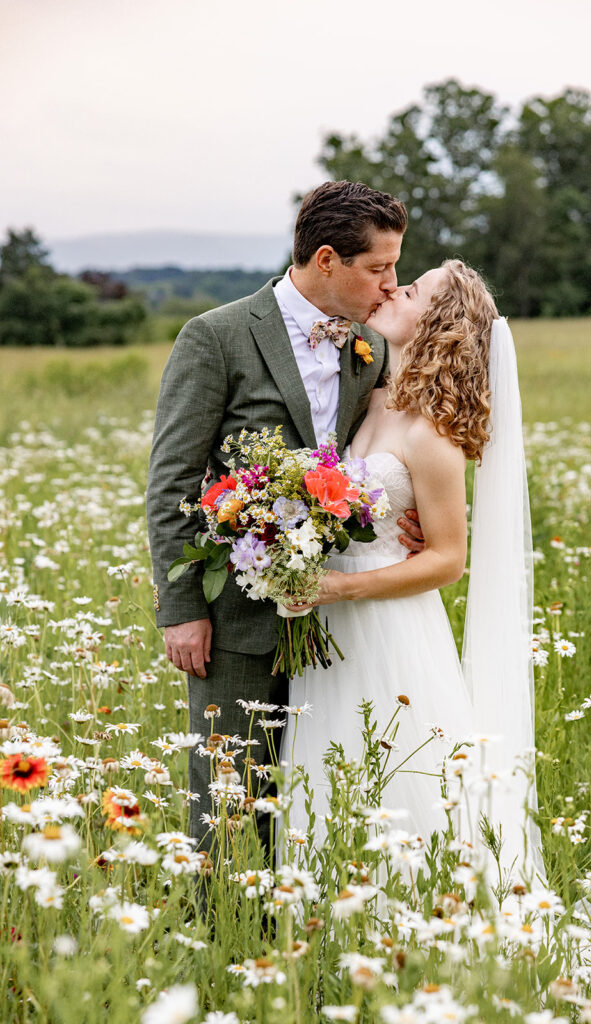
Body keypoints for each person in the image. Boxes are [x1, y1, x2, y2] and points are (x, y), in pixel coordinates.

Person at [145, 181, 425, 860]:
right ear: (325, 259)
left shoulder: (371, 347)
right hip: (237, 610)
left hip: (345, 615)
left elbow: (374, 457)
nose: (391, 286)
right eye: (378, 267)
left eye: (394, 267)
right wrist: (182, 607)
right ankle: (217, 936)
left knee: (313, 789)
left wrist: (400, 515)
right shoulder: (215, 336)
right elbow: (172, 479)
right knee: (226, 791)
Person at [283, 259, 547, 887]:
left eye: (413, 288)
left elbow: (448, 560)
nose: (393, 288)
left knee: (400, 774)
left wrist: (342, 586)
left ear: (437, 324)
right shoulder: (369, 396)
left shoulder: (432, 433)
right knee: (326, 764)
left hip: (389, 622)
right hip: (328, 619)